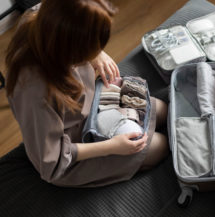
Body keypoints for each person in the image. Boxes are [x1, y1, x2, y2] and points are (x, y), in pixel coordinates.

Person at [5, 0, 169, 187]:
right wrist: (112, 147)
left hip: (83, 104)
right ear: (72, 49)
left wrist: (98, 54)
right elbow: (54, 157)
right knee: (160, 146)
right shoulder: (37, 93)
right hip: (66, 151)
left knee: (164, 110)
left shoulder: (44, 17)